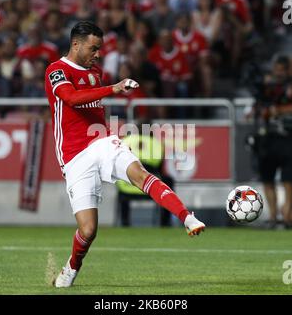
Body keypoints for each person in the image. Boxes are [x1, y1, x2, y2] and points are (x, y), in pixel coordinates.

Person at [44, 21, 205, 288]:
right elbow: (71, 99)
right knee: (88, 230)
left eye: (100, 49)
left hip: (102, 141)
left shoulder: (95, 73)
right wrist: (114, 89)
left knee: (140, 174)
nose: (97, 54)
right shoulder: (56, 71)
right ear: (76, 44)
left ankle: (187, 217)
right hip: (74, 155)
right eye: (93, 48)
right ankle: (70, 270)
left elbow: (94, 109)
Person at [252, 55, 292, 228]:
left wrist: (280, 110)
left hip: (289, 137)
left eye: (282, 70)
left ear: (287, 70)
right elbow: (259, 106)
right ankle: (273, 217)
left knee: (288, 180)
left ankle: (288, 218)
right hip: (269, 137)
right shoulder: (265, 86)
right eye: (276, 69)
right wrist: (261, 111)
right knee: (268, 178)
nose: (279, 73)